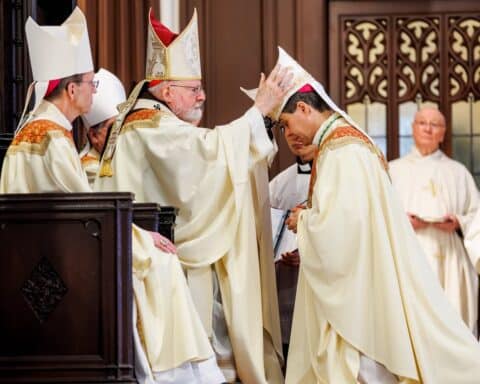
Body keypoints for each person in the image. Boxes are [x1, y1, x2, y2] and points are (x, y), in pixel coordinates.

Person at [0, 8, 225, 384]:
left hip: (32, 260)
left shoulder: (29, 135)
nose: (94, 89)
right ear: (71, 90)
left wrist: (135, 234)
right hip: (65, 264)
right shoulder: (54, 139)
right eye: (89, 82)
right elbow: (85, 217)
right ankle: (179, 376)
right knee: (163, 262)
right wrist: (141, 237)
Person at [94, 9, 291, 384]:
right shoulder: (150, 123)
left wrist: (256, 122)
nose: (202, 94)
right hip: (163, 255)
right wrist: (259, 111)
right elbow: (206, 157)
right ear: (167, 91)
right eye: (194, 88)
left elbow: (204, 152)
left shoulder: (143, 118)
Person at [268, 47, 480, 383]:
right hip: (367, 274)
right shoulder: (348, 143)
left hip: (357, 291)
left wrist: (302, 222)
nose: (288, 132)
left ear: (305, 108)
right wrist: (312, 214)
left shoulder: (341, 150)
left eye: (286, 121)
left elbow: (341, 230)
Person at [389, 108, 479, 334]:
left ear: (443, 133)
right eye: (422, 123)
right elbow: (378, 214)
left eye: (435, 125)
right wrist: (400, 221)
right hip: (407, 254)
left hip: (449, 256)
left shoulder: (458, 172)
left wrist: (458, 221)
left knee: (452, 323)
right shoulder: (393, 170)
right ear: (413, 128)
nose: (428, 128)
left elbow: (476, 213)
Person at [269, 142, 315, 360]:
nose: (296, 140)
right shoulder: (280, 181)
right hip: (285, 276)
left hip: (319, 274)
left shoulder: (334, 179)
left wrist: (307, 254)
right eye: (288, 132)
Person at [80, 68, 126, 186]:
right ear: (94, 136)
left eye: (123, 125)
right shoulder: (89, 169)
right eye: (113, 127)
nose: (121, 133)